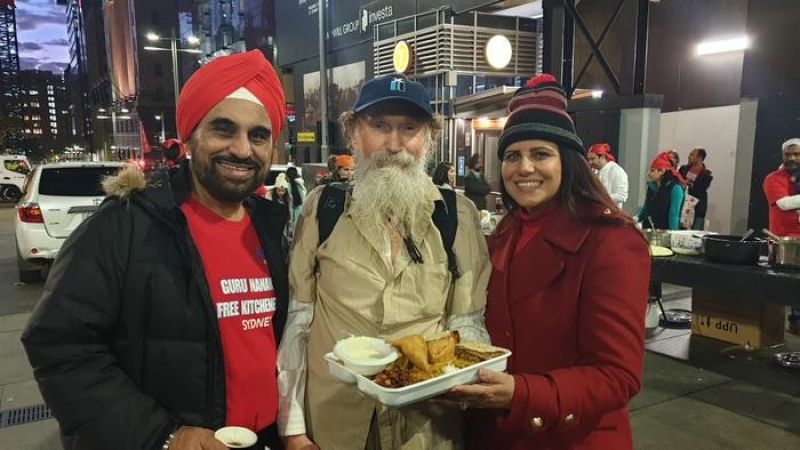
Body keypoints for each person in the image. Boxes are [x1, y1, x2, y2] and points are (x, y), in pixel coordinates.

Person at [21, 50, 289, 450]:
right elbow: (60, 347)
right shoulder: (125, 224)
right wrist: (163, 436)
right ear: (190, 136)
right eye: (223, 129)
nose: (242, 149)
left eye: (258, 135)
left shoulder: (272, 228)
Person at [278, 73, 491, 450]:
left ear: (428, 138)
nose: (394, 145)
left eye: (409, 128)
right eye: (379, 126)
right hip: (334, 423)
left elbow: (466, 323)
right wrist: (293, 428)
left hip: (427, 427)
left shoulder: (458, 215)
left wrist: (460, 384)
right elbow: (299, 321)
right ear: (354, 133)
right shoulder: (321, 209)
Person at [446, 73, 649, 449]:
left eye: (540, 153)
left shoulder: (611, 242)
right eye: (512, 155)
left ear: (568, 161)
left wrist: (521, 395)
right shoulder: (504, 233)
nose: (524, 168)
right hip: (496, 433)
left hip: (568, 437)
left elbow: (618, 375)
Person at [763, 138, 800, 333]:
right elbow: (784, 204)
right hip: (782, 244)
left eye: (797, 154)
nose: (792, 158)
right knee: (780, 286)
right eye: (788, 154)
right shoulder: (773, 178)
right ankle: (770, 329)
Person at [637, 152, 686, 230]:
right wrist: (636, 219)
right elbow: (646, 208)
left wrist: (673, 235)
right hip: (649, 229)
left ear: (662, 171)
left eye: (652, 171)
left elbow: (674, 214)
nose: (649, 174)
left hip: (664, 232)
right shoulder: (652, 186)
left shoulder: (676, 188)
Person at [679, 147, 713, 230]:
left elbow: (701, 189)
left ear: (700, 157)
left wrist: (689, 182)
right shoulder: (683, 169)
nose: (689, 156)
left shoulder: (706, 175)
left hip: (698, 210)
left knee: (696, 235)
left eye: (692, 155)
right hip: (682, 207)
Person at [587, 142, 629, 209]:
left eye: (592, 159)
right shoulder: (593, 171)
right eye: (589, 159)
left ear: (602, 157)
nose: (590, 162)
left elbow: (622, 196)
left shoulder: (617, 171)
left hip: (611, 214)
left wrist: (600, 197)